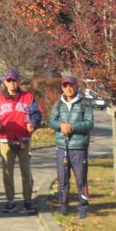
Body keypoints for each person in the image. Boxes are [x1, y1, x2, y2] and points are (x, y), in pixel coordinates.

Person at [0, 70, 41, 214]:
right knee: (7, 173)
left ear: (18, 81)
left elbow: (36, 114)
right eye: (9, 80)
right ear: (5, 82)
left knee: (26, 172)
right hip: (5, 141)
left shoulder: (28, 97)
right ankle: (11, 202)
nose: (12, 83)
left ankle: (27, 202)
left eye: (14, 80)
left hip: (23, 139)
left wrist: (33, 124)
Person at [49, 76, 94, 218]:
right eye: (65, 85)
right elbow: (52, 121)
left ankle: (83, 208)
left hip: (79, 148)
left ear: (76, 85)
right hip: (62, 147)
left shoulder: (85, 103)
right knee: (63, 179)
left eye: (71, 85)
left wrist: (72, 127)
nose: (68, 88)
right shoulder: (58, 104)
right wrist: (60, 126)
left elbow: (89, 123)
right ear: (62, 87)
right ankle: (63, 206)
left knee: (81, 179)